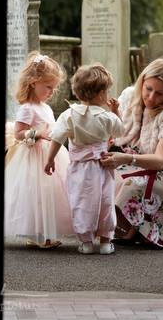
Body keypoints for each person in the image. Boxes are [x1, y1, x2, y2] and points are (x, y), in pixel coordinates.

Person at [100, 57, 163, 250]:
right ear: (142, 81)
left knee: (130, 185)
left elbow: (159, 160)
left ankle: (141, 230)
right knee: (100, 175)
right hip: (139, 163)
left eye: (159, 93)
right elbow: (116, 131)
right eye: (148, 89)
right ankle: (129, 229)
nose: (150, 97)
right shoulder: (130, 95)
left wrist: (125, 158)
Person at [44, 63, 124, 255]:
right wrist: (115, 111)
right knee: (105, 201)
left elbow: (56, 139)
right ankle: (105, 242)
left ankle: (86, 242)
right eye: (106, 91)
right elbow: (120, 130)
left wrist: (50, 159)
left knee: (81, 202)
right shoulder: (106, 117)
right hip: (102, 167)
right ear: (100, 95)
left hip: (79, 167)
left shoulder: (68, 115)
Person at [4, 51, 73, 249]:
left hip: (51, 153)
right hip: (34, 156)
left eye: (54, 88)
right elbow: (18, 133)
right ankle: (39, 235)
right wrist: (36, 134)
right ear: (33, 82)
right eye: (48, 87)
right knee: (37, 194)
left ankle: (45, 233)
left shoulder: (46, 107)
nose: (52, 92)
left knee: (52, 192)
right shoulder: (27, 108)